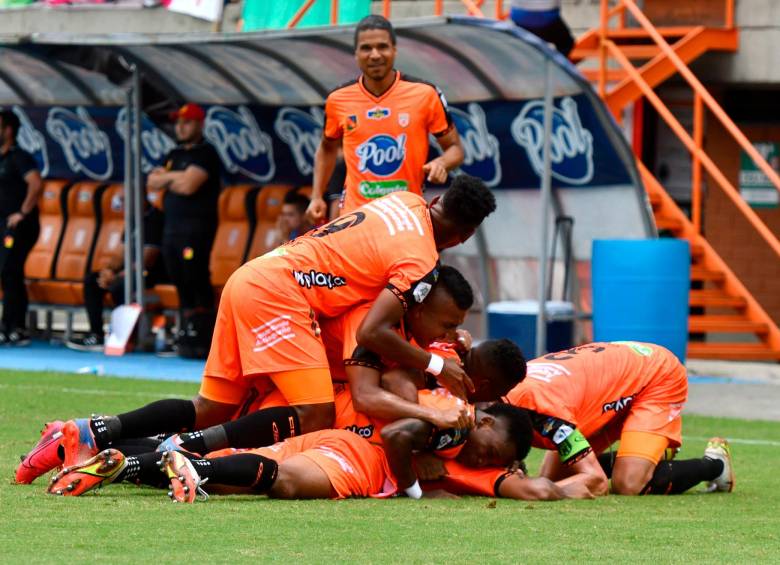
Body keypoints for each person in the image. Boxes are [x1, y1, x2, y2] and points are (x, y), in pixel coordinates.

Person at [15, 179, 497, 484]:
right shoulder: (421, 260)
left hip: (254, 275)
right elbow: (374, 329)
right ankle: (168, 456)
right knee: (316, 413)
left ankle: (84, 434)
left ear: (437, 199)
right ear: (466, 234)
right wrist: (437, 364)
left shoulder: (405, 199)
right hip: (281, 294)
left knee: (211, 410)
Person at [47, 397, 535, 502]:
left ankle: (103, 454)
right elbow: (397, 437)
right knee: (288, 484)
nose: (483, 461)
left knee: (218, 466)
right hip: (357, 458)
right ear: (487, 420)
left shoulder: (449, 414)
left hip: (334, 435)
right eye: (491, 450)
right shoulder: (454, 423)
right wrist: (413, 489)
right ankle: (172, 464)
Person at [504, 341, 735, 496]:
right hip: (610, 378)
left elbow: (596, 481)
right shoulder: (501, 399)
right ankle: (650, 454)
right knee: (557, 476)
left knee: (629, 483)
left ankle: (715, 465)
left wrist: (545, 489)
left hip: (654, 374)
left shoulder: (544, 412)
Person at [306, 15, 464, 222]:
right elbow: (327, 147)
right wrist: (317, 196)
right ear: (356, 54)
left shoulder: (425, 93)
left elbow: (455, 148)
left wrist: (442, 163)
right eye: (366, 48)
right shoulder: (338, 99)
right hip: (355, 218)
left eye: (382, 46)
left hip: (406, 217)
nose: (375, 55)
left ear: (394, 50)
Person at [146, 103, 222, 347]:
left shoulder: (206, 153)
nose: (180, 127)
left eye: (186, 122)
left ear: (200, 124)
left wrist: (167, 180)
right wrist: (175, 179)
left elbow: (189, 186)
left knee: (195, 274)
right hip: (171, 228)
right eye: (178, 122)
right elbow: (152, 181)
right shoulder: (174, 154)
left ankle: (203, 332)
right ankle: (186, 328)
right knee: (177, 275)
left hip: (196, 230)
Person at [65, 206, 165, 351]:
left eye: (123, 200)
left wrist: (117, 276)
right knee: (92, 280)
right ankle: (97, 335)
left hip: (150, 274)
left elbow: (147, 259)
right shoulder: (132, 219)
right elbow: (121, 253)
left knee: (120, 285)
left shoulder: (155, 219)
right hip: (126, 273)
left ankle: (124, 337)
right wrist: (108, 271)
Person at [0, 109, 42, 346]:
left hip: (19, 227)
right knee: (8, 274)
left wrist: (22, 213)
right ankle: (10, 326)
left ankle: (14, 327)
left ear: (8, 130)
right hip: (2, 226)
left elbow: (35, 184)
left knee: (10, 271)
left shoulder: (20, 157)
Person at [509, 0, 575, 57]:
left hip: (520, 16)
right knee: (566, 44)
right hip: (546, 17)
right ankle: (554, 65)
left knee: (523, 43)